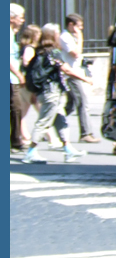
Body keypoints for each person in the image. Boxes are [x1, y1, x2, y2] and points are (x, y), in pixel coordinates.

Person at [22, 26, 91, 164]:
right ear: (53, 36)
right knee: (44, 121)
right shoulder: (53, 52)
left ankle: (68, 149)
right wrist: (86, 79)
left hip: (48, 90)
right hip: (51, 91)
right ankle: (31, 151)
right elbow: (67, 69)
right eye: (57, 34)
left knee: (61, 119)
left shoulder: (40, 52)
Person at [59, 12, 100, 143]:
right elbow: (76, 53)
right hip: (70, 75)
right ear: (71, 25)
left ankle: (50, 124)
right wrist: (80, 37)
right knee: (83, 102)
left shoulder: (71, 36)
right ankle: (85, 133)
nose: (81, 28)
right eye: (79, 26)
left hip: (76, 72)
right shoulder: (65, 37)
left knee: (70, 105)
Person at [18, 24, 42, 144]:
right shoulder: (29, 48)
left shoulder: (24, 47)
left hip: (25, 82)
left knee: (22, 111)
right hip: (30, 83)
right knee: (42, 109)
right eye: (38, 34)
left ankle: (24, 135)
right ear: (34, 35)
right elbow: (27, 62)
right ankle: (50, 137)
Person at [10, 3, 27, 151]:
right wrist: (19, 74)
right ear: (11, 18)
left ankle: (15, 140)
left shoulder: (11, 33)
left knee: (16, 109)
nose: (22, 20)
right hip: (10, 78)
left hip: (12, 78)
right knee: (15, 108)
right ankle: (15, 141)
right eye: (20, 18)